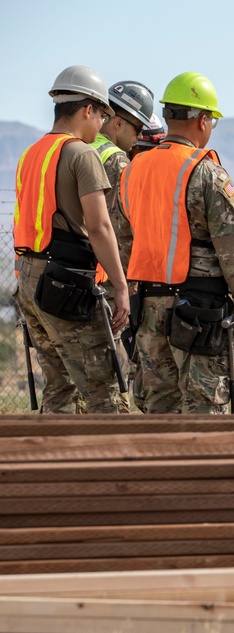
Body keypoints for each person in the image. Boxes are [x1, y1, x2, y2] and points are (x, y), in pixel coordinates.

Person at [118, 72, 234, 414]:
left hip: (148, 309)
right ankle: (202, 471)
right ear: (202, 120)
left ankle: (164, 470)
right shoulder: (206, 172)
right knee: (203, 409)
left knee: (158, 407)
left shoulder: (133, 169)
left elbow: (122, 239)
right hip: (198, 311)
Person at [13, 65, 131, 414]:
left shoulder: (29, 154)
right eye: (102, 115)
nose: (103, 125)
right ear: (87, 110)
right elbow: (99, 228)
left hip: (30, 283)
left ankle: (52, 467)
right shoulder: (81, 153)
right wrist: (121, 286)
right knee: (104, 390)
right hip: (64, 285)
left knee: (60, 388)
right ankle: (113, 468)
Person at [91, 80, 155, 407]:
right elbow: (121, 229)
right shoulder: (116, 160)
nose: (139, 137)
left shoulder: (81, 146)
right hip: (104, 280)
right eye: (137, 128)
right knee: (111, 383)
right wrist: (128, 284)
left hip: (71, 271)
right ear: (118, 122)